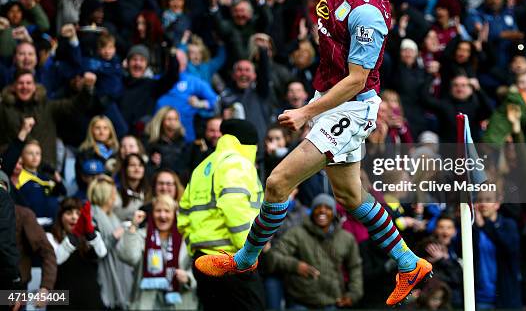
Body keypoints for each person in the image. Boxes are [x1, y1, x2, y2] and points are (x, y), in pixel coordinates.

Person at [196, 0, 433, 306]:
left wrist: (306, 111)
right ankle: (409, 263)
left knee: (276, 183)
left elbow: (357, 80)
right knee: (351, 197)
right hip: (331, 96)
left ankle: (245, 259)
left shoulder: (368, 13)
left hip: (351, 106)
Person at [178, 119, 265, 310]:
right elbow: (233, 206)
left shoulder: (203, 166)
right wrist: (250, 251)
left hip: (203, 262)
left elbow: (183, 215)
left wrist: (196, 248)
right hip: (232, 261)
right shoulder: (238, 162)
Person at [263, 193, 363, 308]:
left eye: (328, 208)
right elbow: (273, 257)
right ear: (312, 211)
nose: (322, 211)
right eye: (318, 207)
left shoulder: (346, 238)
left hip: (332, 301)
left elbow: (355, 267)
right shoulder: (298, 233)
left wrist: (354, 294)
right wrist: (295, 266)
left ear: (334, 213)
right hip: (301, 301)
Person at [117, 195, 198, 309]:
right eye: (158, 211)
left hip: (180, 303)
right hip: (147, 304)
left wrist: (189, 277)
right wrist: (133, 226)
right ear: (152, 214)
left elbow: (198, 266)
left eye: (167, 211)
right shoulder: (141, 235)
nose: (162, 215)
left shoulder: (187, 238)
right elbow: (128, 257)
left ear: (174, 214)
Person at [46, 198, 107, 310]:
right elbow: (56, 260)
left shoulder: (91, 235)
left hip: (89, 300)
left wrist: (91, 234)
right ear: (60, 216)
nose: (74, 217)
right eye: (69, 213)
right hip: (61, 300)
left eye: (78, 213)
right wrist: (74, 235)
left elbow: (102, 253)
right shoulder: (50, 236)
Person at [88, 174, 133, 309]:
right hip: (103, 273)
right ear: (106, 195)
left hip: (119, 269)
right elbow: (95, 251)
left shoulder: (112, 215)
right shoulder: (93, 215)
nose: (115, 197)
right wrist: (115, 236)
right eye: (113, 193)